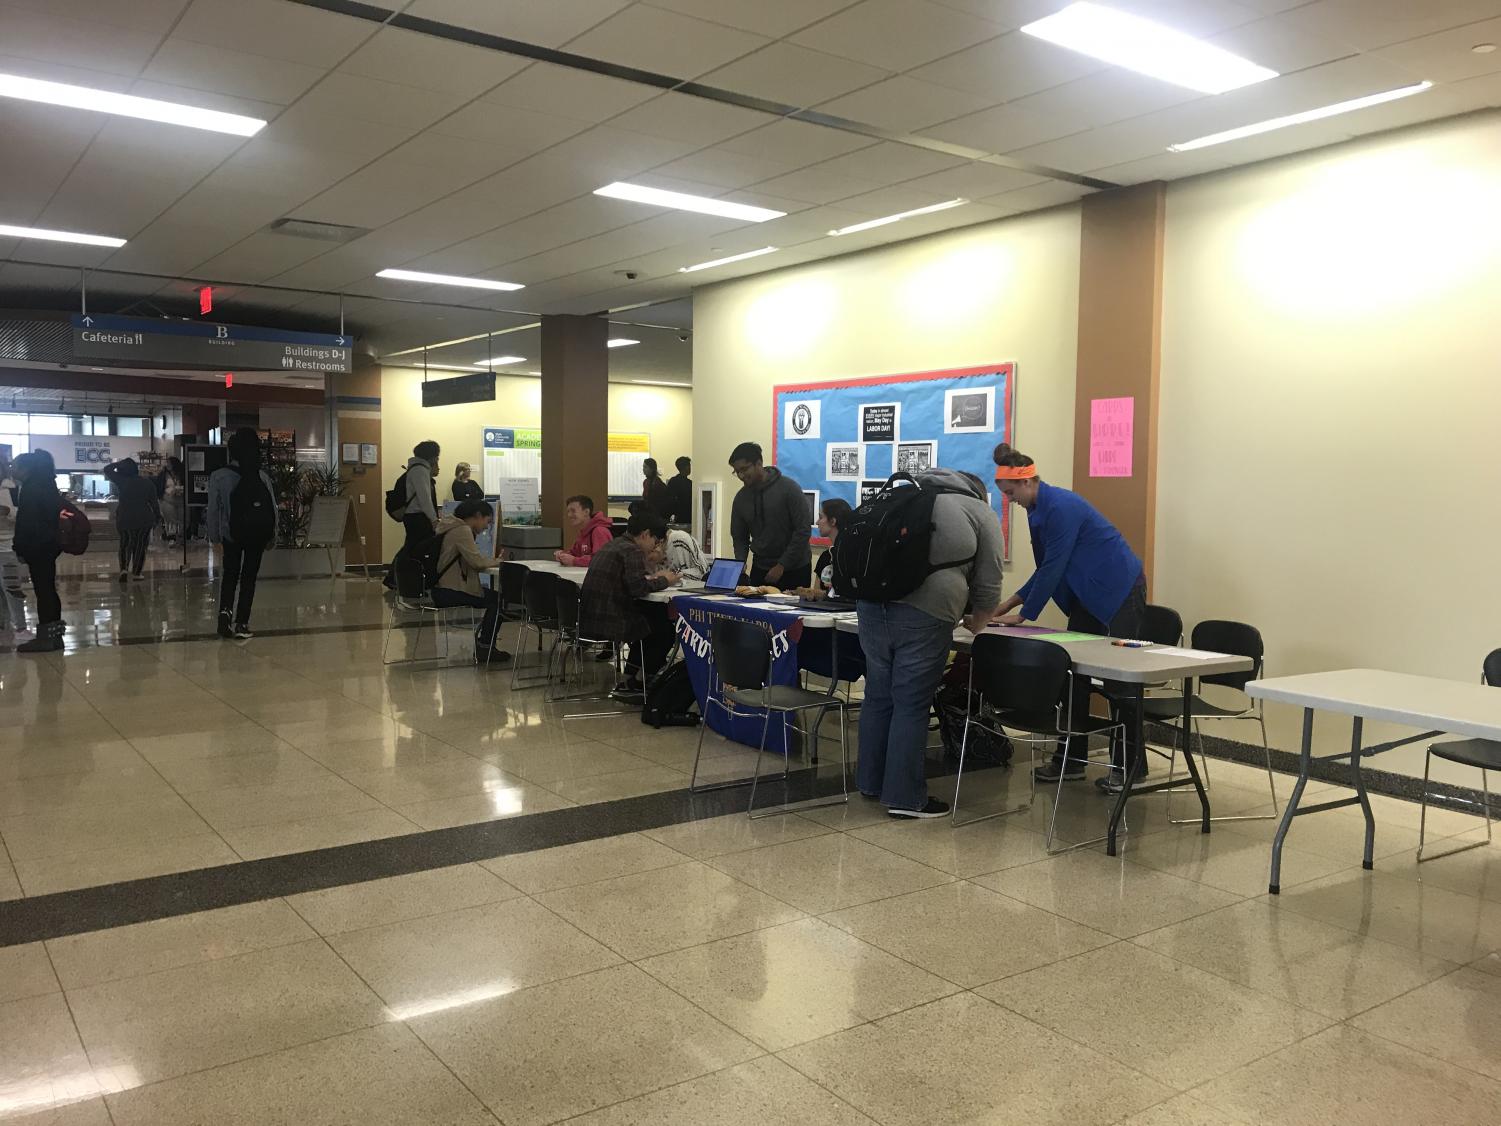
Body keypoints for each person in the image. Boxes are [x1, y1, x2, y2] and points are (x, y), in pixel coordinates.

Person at [988, 442, 1148, 792]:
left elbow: (1054, 567)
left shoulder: (1060, 506)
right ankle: (1072, 760)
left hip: (1120, 588)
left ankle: (1132, 766)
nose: (1010, 499)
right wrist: (1006, 607)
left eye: (1011, 492)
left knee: (1122, 682)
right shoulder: (1037, 510)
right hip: (1088, 595)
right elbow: (1046, 568)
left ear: (1028, 483)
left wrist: (1024, 614)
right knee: (1072, 674)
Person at [855, 468, 1002, 818]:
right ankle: (906, 798)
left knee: (878, 696)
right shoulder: (977, 510)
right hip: (927, 612)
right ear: (977, 491)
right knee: (911, 703)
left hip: (871, 607)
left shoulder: (898, 496)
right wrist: (979, 619)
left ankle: (871, 782)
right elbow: (991, 575)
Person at [579, 509, 679, 700]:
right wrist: (666, 580)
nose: (654, 547)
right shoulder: (631, 550)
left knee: (652, 618)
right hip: (608, 622)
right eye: (656, 541)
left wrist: (652, 579)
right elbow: (638, 589)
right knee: (664, 632)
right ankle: (642, 681)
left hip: (591, 617)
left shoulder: (614, 545)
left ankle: (632, 677)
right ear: (645, 534)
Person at [206, 428, 278, 641]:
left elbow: (213, 509)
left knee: (230, 575)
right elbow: (271, 508)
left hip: (232, 535)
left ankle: (224, 615)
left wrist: (214, 535)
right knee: (249, 578)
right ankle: (242, 623)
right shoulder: (261, 476)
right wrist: (272, 535)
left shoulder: (218, 476)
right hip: (256, 535)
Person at [430, 499, 512, 665]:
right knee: (499, 601)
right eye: (487, 521)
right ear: (477, 515)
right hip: (451, 590)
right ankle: (486, 647)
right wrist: (498, 561)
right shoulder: (462, 530)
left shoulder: (447, 526)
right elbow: (477, 562)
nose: (486, 527)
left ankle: (485, 645)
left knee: (494, 598)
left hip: (439, 588)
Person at [727, 441, 811, 590]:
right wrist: (740, 562)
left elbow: (802, 530)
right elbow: (739, 536)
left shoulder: (789, 489)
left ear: (759, 463)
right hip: (761, 568)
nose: (741, 475)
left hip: (795, 569)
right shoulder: (741, 498)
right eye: (736, 471)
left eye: (744, 469)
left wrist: (782, 565)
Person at [11, 450, 63, 653]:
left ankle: (46, 639)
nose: (12, 470)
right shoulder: (47, 484)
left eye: (14, 466)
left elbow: (27, 523)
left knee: (44, 591)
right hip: (48, 544)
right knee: (48, 589)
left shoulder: (32, 489)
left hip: (38, 545)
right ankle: (54, 637)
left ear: (26, 469)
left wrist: (20, 547)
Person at [104, 458, 160, 582]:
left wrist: (119, 463)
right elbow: (154, 504)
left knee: (125, 543)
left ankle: (124, 569)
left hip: (125, 517)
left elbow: (107, 469)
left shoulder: (122, 480)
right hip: (144, 518)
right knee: (140, 545)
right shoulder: (148, 483)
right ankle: (136, 572)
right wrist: (157, 518)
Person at [795, 497, 852, 600]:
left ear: (833, 521)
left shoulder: (852, 557)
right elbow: (816, 595)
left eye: (821, 517)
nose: (817, 522)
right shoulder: (825, 556)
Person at [0, 452, 24, 632]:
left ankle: (21, 628)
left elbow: (21, 515)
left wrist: (6, 511)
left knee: (12, 589)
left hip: (7, 547)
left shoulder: (13, 489)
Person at [554, 494, 613, 566]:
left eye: (573, 511)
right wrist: (563, 556)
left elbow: (601, 560)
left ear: (586, 512)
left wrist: (574, 561)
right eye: (568, 511)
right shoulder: (584, 532)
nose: (569, 515)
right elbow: (575, 553)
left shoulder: (599, 531)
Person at [158, 456, 185, 544]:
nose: (167, 464)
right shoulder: (163, 474)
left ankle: (181, 536)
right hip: (168, 500)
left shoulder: (182, 473)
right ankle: (171, 537)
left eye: (169, 463)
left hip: (181, 499)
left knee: (182, 519)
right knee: (170, 519)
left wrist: (179, 488)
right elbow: (160, 486)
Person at [665, 456, 692, 524]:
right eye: (689, 465)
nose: (690, 468)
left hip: (677, 516)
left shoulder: (673, 481)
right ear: (685, 467)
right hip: (686, 516)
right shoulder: (689, 483)